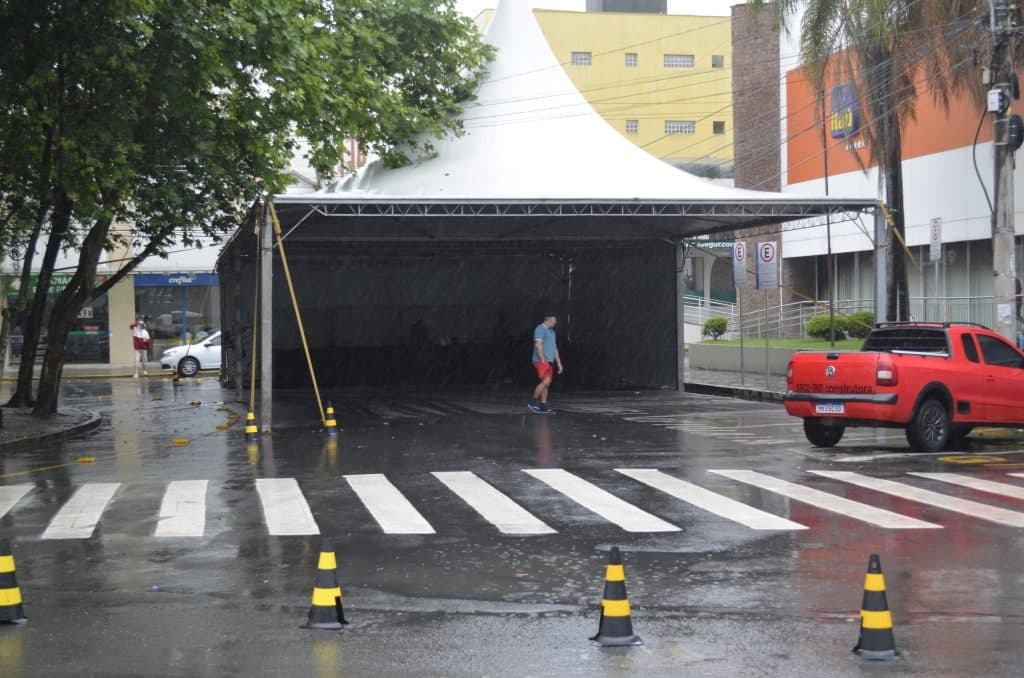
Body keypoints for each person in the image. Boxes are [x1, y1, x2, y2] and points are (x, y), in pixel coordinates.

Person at [529, 314, 563, 414]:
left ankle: (543, 405)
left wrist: (559, 363)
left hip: (549, 361)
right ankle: (533, 401)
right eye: (554, 320)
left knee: (547, 384)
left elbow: (554, 349)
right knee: (546, 380)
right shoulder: (540, 329)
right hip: (541, 361)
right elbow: (538, 344)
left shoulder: (552, 332)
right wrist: (542, 358)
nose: (555, 322)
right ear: (548, 319)